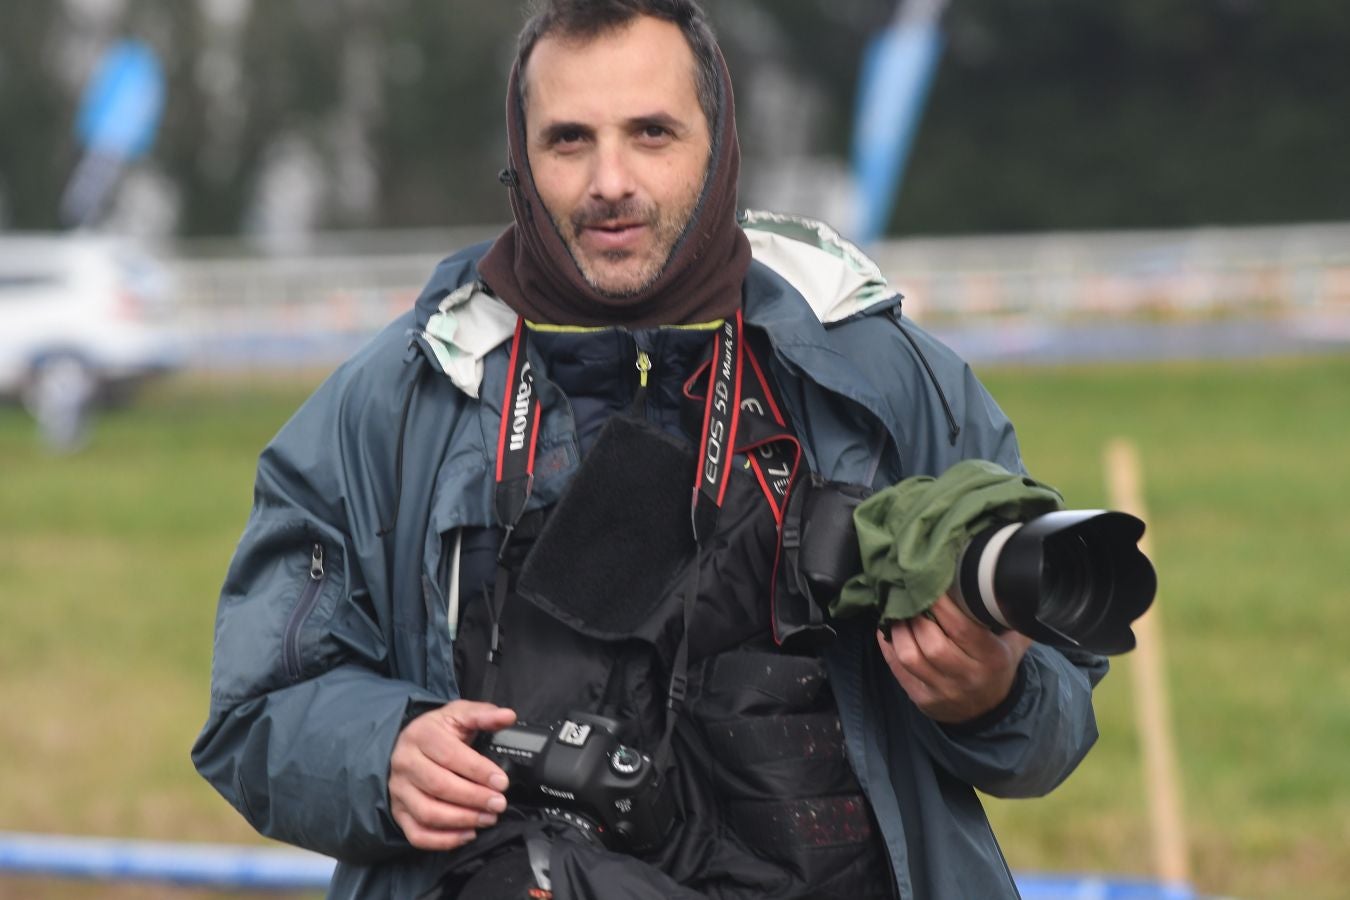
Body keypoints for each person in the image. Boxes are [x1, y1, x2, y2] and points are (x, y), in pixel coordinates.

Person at [192, 1, 1107, 898]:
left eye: (652, 133)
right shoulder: (395, 402)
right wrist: (380, 750)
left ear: (720, 148)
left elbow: (1061, 698)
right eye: (569, 140)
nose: (610, 181)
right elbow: (254, 712)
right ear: (520, 160)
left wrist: (994, 694)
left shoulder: (877, 377)